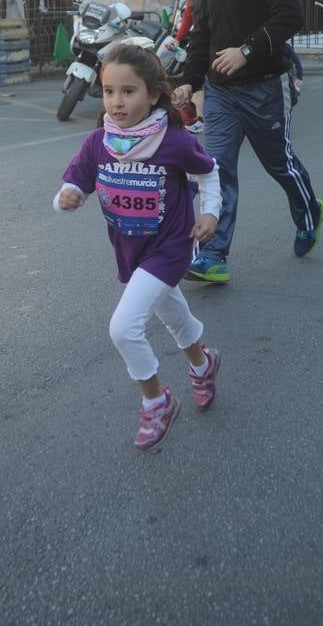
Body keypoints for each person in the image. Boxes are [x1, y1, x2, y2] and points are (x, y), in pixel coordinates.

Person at [54, 43, 223, 450]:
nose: (116, 101)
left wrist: (211, 213)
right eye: (109, 91)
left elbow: (209, 173)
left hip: (169, 247)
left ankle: (157, 400)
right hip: (130, 248)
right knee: (173, 313)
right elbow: (73, 182)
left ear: (152, 94)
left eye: (128, 91)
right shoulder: (99, 142)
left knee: (123, 328)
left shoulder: (173, 141)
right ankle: (203, 364)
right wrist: (68, 196)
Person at [172, 0, 323, 283]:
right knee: (217, 169)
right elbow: (202, 35)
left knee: (280, 164)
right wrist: (189, 80)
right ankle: (214, 256)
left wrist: (246, 50)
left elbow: (290, 16)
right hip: (221, 91)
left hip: (265, 87)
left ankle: (309, 212)